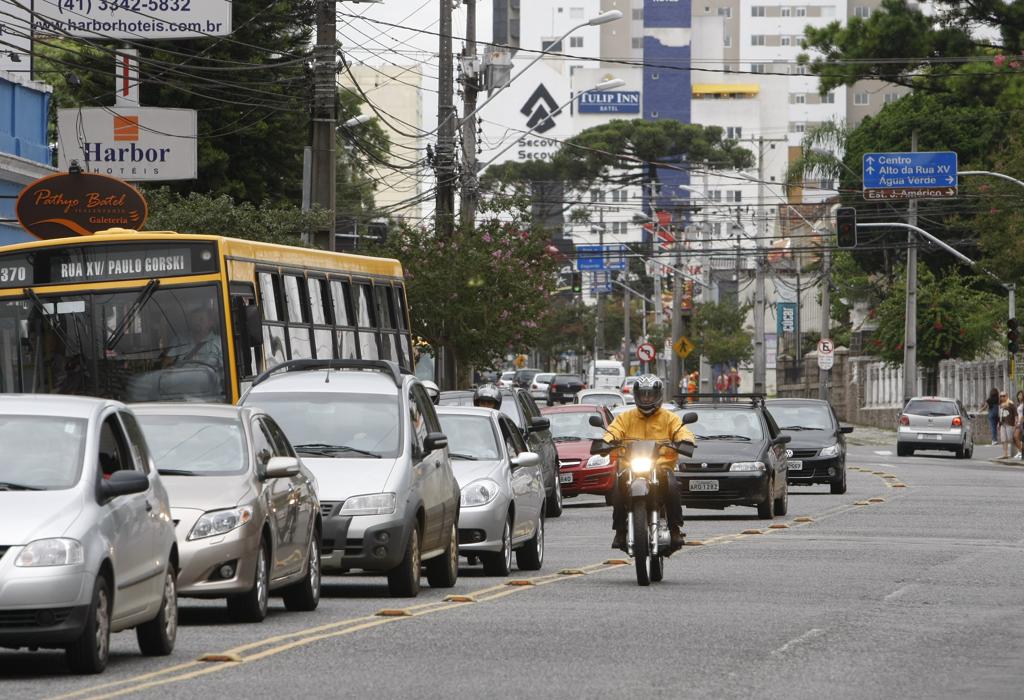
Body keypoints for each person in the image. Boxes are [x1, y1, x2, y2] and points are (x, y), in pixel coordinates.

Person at [603, 374, 695, 552]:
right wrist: (607, 441)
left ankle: (675, 529)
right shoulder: (625, 417)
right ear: (636, 396)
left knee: (673, 486)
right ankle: (620, 531)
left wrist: (685, 440)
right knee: (616, 489)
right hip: (631, 466)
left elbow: (682, 431)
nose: (646, 398)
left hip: (660, 466)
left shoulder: (669, 418)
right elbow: (613, 431)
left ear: (658, 395)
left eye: (650, 395)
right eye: (643, 395)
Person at [998, 391, 1016, 458]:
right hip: (1002, 423)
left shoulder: (1010, 403)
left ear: (1007, 396)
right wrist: (998, 423)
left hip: (1009, 423)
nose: (1002, 397)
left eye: (1004, 396)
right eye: (1001, 396)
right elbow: (1000, 414)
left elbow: (1015, 413)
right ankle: (1005, 454)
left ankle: (1017, 452)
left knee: (1010, 438)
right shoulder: (1000, 404)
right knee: (1003, 439)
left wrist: (1015, 423)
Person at [1014, 390, 1024, 459]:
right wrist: (1016, 421)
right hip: (1018, 422)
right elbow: (1018, 414)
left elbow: (1023, 415)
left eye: (1021, 395)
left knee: (1016, 436)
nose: (1019, 396)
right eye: (1018, 395)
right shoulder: (1019, 404)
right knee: (1015, 437)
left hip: (1021, 422)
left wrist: (1019, 423)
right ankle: (1020, 451)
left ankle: (1021, 451)